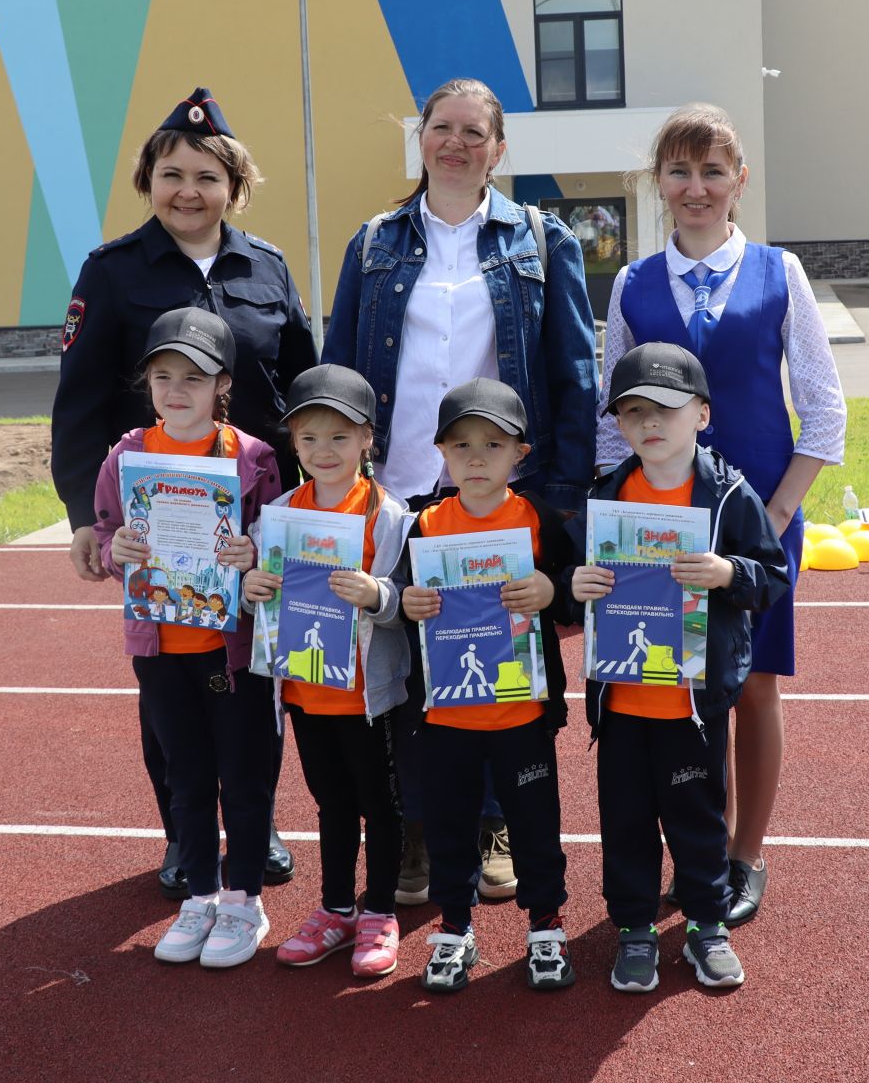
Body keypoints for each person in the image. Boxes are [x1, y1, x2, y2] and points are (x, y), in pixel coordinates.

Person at [322, 77, 598, 902]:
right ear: (421, 139)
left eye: (474, 132)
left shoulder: (542, 241)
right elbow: (341, 368)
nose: (455, 143)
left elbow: (574, 374)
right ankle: (412, 832)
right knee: (402, 674)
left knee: (503, 664)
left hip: (500, 496)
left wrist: (558, 501)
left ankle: (493, 825)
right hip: (402, 496)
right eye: (441, 128)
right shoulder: (373, 242)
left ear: (499, 149)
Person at [52, 87, 311, 895]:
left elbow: (299, 384)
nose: (188, 191)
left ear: (234, 184)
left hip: (260, 513)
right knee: (170, 684)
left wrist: (315, 508)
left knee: (254, 677)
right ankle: (184, 832)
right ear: (147, 180)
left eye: (206, 175)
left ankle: (258, 824)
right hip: (159, 530)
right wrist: (84, 520)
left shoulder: (266, 267)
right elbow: (81, 404)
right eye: (171, 174)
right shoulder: (113, 271)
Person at [597, 103, 844, 925]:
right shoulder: (632, 284)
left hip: (760, 520)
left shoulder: (781, 273)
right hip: (656, 527)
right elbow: (609, 421)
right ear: (657, 182)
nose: (694, 188)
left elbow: (824, 408)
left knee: (753, 689)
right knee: (672, 690)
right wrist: (617, 525)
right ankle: (691, 852)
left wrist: (774, 516)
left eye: (712, 172)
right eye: (678, 171)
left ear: (741, 181)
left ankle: (744, 855)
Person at [575, 343, 789, 992]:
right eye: (633, 411)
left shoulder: (728, 496)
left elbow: (772, 577)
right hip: (622, 706)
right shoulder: (607, 495)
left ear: (701, 413)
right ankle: (635, 928)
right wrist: (573, 583)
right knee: (627, 823)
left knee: (698, 819)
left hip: (691, 706)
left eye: (665, 409)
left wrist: (730, 572)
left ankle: (705, 924)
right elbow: (568, 583)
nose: (649, 424)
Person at [91, 307, 285, 966]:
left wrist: (253, 558)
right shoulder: (127, 455)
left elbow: (276, 555)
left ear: (221, 385)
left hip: (233, 655)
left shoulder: (252, 458)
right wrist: (115, 548)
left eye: (194, 378)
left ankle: (245, 901)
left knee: (246, 778)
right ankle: (200, 895)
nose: (177, 390)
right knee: (188, 778)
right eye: (163, 375)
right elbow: (108, 540)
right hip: (161, 652)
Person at [395, 378, 579, 993]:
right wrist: (409, 602)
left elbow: (579, 583)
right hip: (446, 718)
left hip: (521, 715)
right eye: (461, 445)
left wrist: (552, 590)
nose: (476, 458)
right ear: (441, 452)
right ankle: (452, 928)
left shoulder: (539, 520)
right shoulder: (423, 525)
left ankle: (546, 926)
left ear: (519, 454)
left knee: (534, 822)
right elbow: (396, 599)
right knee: (449, 825)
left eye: (493, 445)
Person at [237, 365, 413, 977]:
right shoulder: (282, 512)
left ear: (368, 437)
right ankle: (335, 909)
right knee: (331, 804)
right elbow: (261, 595)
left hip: (371, 698)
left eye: (339, 436)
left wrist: (377, 596)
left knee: (379, 807)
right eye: (308, 439)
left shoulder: (391, 516)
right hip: (307, 691)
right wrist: (253, 586)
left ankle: (380, 912)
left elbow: (408, 604)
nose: (322, 451)